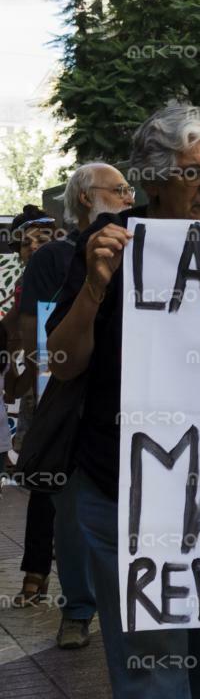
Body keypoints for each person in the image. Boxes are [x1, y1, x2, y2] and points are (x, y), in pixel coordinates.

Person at [47, 103, 200, 697]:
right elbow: (60, 363)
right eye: (194, 172)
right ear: (155, 176)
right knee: (152, 660)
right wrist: (94, 285)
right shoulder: (107, 246)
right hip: (128, 492)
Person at [13, 164, 133, 648]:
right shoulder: (55, 257)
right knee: (71, 514)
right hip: (68, 408)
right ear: (87, 199)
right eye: (119, 189)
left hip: (127, 410)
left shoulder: (142, 249)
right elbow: (33, 334)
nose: (130, 196)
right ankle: (78, 610)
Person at [5, 207, 60, 612]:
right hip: (39, 401)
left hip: (78, 399)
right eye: (27, 243)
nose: (33, 247)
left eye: (41, 238)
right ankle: (35, 574)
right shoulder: (22, 291)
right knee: (43, 485)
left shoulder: (76, 275)